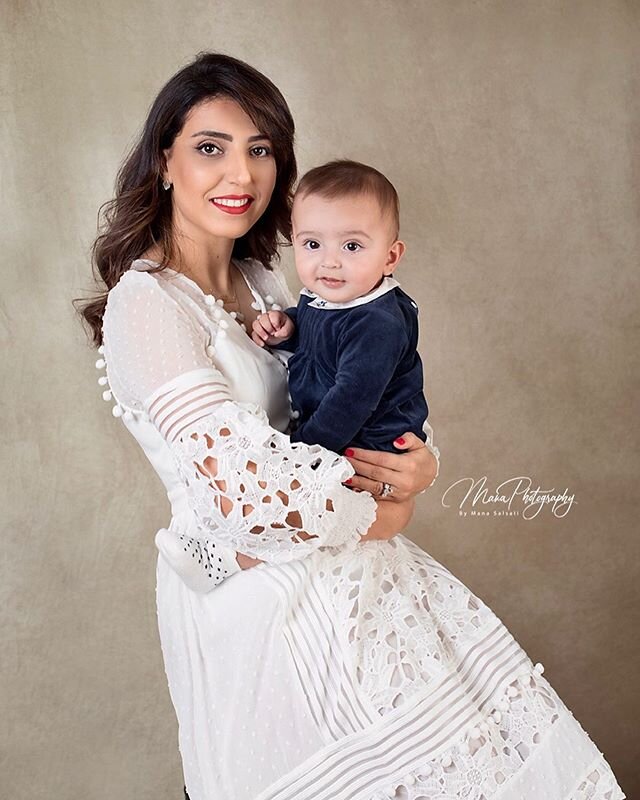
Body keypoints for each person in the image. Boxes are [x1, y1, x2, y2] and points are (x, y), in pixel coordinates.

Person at [80, 52, 625, 800]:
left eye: (260, 150)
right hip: (257, 605)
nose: (240, 175)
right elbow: (254, 503)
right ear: (164, 161)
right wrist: (389, 509)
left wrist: (420, 461)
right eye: (211, 148)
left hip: (355, 586)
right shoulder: (148, 306)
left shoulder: (269, 279)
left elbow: (362, 390)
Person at [251, 159, 429, 456]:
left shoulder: (377, 324)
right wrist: (291, 328)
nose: (330, 261)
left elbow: (349, 402)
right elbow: (325, 340)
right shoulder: (328, 293)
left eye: (351, 246)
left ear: (390, 257)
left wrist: (301, 452)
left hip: (366, 444)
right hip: (333, 434)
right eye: (312, 244)